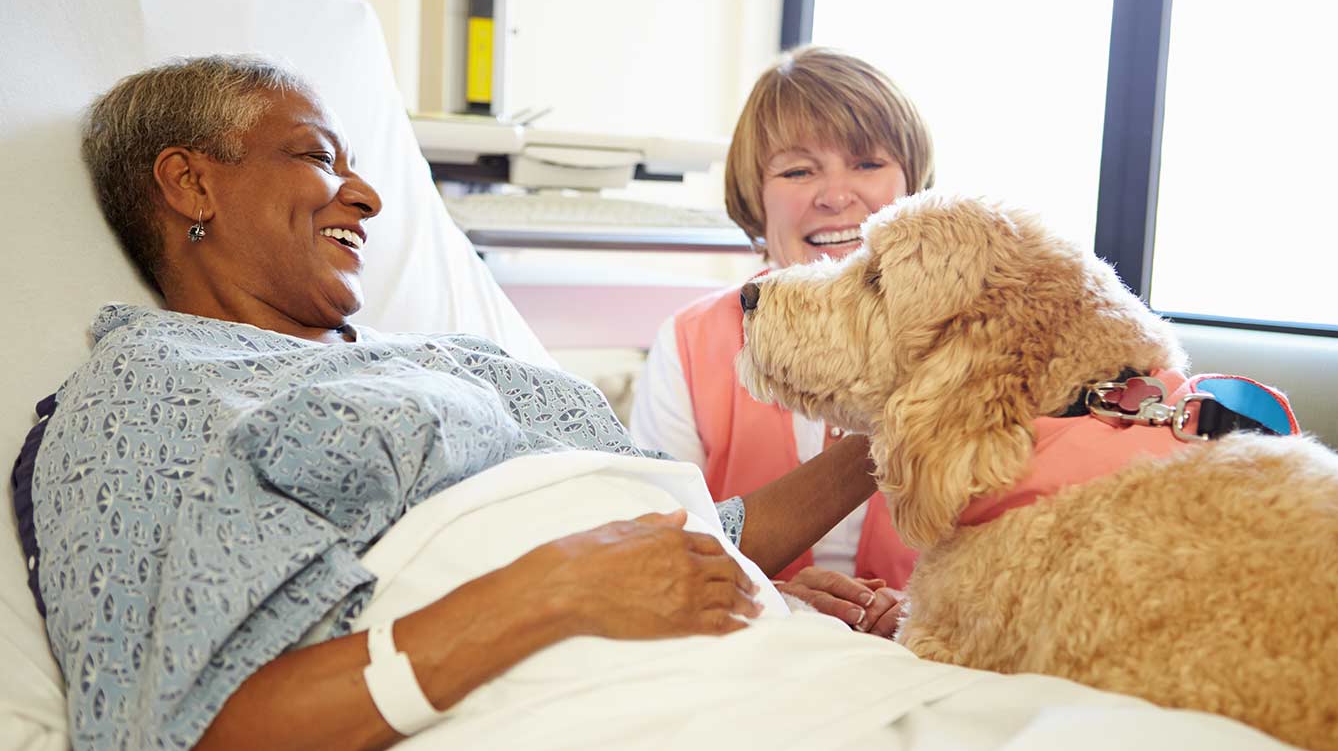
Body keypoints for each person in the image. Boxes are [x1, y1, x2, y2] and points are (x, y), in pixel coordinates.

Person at [27, 55, 892, 750]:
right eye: (319, 158)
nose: (365, 197)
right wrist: (552, 590)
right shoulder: (149, 388)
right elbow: (165, 728)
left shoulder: (454, 356)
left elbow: (699, 536)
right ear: (190, 183)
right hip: (591, 700)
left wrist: (912, 416)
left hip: (771, 665)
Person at [630, 46, 934, 629]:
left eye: (867, 163)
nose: (836, 195)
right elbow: (658, 548)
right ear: (755, 196)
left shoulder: (968, 335)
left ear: (913, 183)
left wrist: (924, 610)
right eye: (798, 170)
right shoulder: (692, 344)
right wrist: (783, 597)